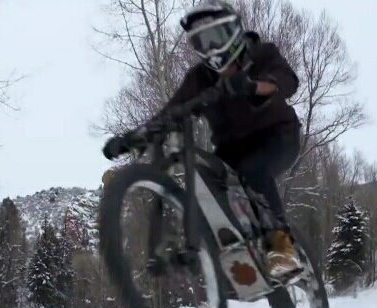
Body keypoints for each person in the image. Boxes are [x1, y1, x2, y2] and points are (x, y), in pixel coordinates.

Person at [104, 0, 302, 277]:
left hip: (277, 136)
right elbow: (171, 111)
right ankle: (216, 254)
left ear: (233, 32)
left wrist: (251, 86)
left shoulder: (262, 54)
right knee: (205, 184)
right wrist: (135, 138)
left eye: (215, 37)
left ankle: (281, 245)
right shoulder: (199, 78)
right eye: (201, 42)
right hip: (231, 151)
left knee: (253, 170)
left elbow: (286, 81)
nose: (210, 49)